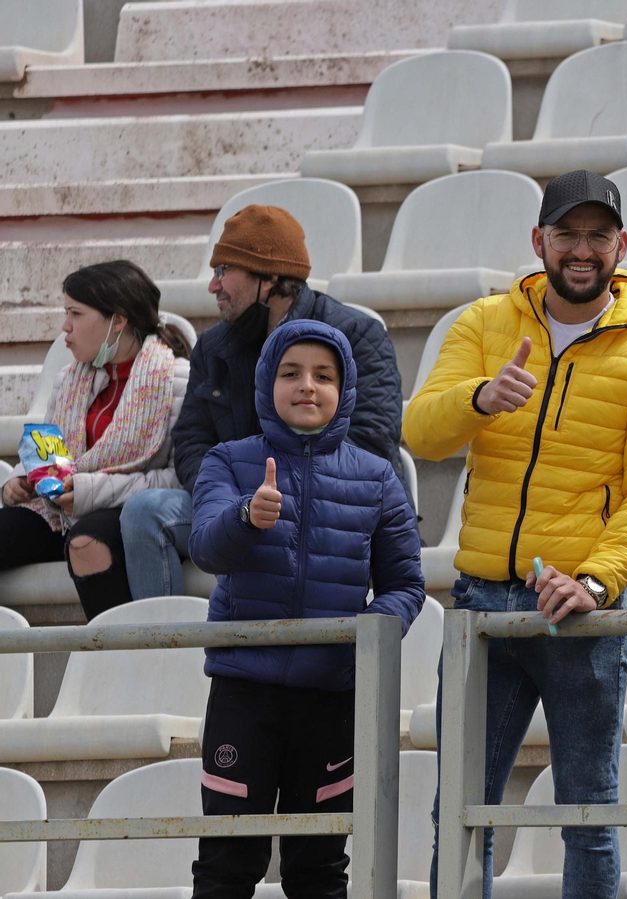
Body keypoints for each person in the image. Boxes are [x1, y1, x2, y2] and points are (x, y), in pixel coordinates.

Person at [404, 169, 627, 897]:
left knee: (587, 814)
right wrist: (479, 397)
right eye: (567, 233)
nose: (581, 249)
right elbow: (420, 431)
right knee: (461, 813)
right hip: (479, 604)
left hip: (580, 610)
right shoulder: (481, 324)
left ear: (621, 245)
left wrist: (596, 580)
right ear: (539, 240)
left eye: (598, 235)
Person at [186, 319, 425, 898]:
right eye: (291, 373)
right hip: (244, 693)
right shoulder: (229, 461)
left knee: (319, 868)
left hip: (330, 699)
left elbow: (405, 585)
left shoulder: (378, 478)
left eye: (324, 375)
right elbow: (205, 547)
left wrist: (364, 635)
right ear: (267, 382)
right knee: (227, 863)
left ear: (344, 391)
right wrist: (248, 515)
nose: (307, 386)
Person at [120, 204, 405, 601]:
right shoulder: (214, 346)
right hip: (237, 505)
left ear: (269, 279)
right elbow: (191, 441)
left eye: (223, 271)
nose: (212, 286)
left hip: (332, 508)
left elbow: (371, 442)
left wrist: (280, 490)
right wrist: (236, 497)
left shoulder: (357, 335)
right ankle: (165, 656)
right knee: (142, 512)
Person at [0, 261, 192, 619]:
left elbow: (177, 481)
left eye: (75, 313)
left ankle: (114, 662)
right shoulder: (68, 380)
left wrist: (89, 490)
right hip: (62, 509)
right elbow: (49, 456)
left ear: (117, 321)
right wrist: (23, 480)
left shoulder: (176, 379)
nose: (65, 327)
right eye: (65, 312)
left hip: (125, 513)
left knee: (86, 542)